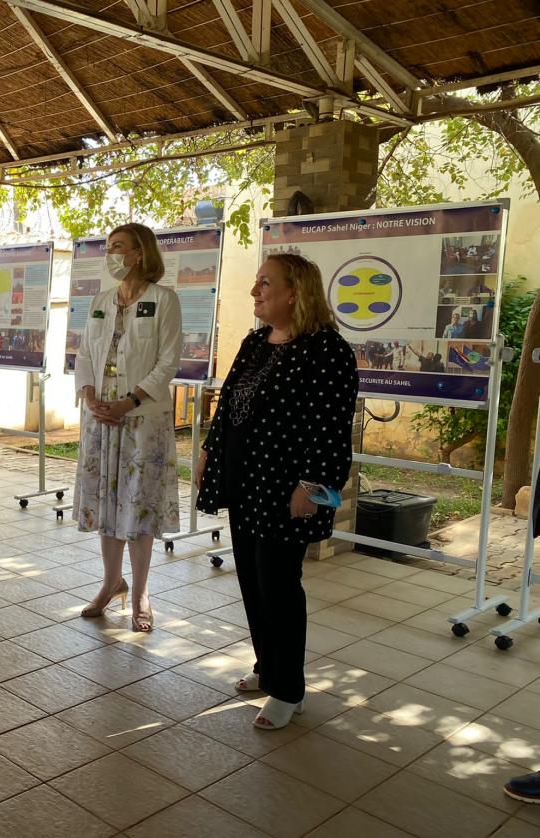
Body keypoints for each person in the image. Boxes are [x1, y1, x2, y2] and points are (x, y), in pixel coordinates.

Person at [195, 253, 358, 730]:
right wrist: (208, 451)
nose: (255, 291)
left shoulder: (327, 349)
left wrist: (312, 485)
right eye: (256, 282)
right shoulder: (255, 341)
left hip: (288, 488)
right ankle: (267, 666)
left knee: (279, 586)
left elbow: (331, 428)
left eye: (265, 283)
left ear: (295, 292)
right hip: (245, 481)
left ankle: (288, 689)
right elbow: (229, 405)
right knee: (251, 579)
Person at [74, 223, 182, 633]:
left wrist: (129, 401)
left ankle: (140, 594)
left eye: (118, 247)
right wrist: (89, 394)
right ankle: (110, 583)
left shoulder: (164, 300)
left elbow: (168, 362)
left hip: (141, 419)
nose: (111, 255)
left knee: (138, 504)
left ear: (140, 253)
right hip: (101, 418)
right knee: (107, 503)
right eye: (108, 248)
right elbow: (85, 353)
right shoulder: (101, 300)